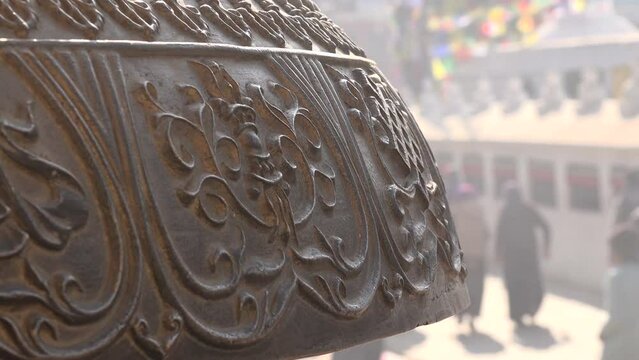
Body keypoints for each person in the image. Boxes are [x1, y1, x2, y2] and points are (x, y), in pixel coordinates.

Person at [496, 184, 551, 327]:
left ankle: (517, 315)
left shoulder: (505, 211)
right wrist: (546, 247)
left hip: (512, 257)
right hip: (528, 256)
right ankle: (530, 309)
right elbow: (546, 227)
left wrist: (498, 254)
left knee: (514, 285)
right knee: (531, 283)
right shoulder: (528, 209)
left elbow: (499, 235)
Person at [451, 183, 489, 332]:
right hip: (479, 257)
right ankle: (473, 315)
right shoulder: (480, 211)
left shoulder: (455, 210)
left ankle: (460, 313)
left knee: (461, 285)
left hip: (462, 257)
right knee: (477, 286)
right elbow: (487, 233)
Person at [601, 225, 639, 360]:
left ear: (617, 252)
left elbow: (617, 317)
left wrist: (603, 333)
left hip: (619, 346)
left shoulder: (616, 277)